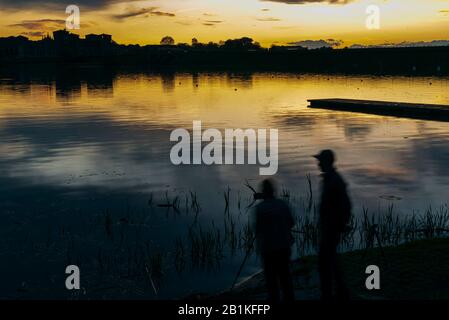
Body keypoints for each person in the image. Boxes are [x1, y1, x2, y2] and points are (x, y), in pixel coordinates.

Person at [314, 149, 352, 300]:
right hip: (328, 228)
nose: (317, 164)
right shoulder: (329, 179)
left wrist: (340, 225)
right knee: (331, 261)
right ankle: (339, 291)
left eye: (319, 161)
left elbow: (346, 206)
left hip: (331, 229)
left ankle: (330, 294)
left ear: (325, 162)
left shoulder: (335, 181)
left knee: (325, 263)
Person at [253, 179, 295, 301]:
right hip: (284, 248)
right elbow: (291, 223)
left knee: (271, 282)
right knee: (285, 278)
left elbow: (258, 230)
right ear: (274, 192)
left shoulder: (260, 208)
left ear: (264, 193)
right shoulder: (282, 204)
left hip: (268, 250)